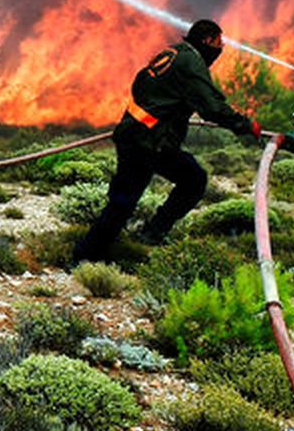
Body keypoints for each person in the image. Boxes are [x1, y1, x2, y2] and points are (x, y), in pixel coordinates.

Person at [72, 19, 260, 264]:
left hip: (142, 138)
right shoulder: (191, 62)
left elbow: (142, 84)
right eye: (218, 43)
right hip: (147, 143)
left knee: (190, 179)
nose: (220, 49)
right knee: (126, 201)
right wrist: (245, 125)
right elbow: (211, 107)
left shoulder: (172, 54)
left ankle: (149, 233)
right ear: (207, 40)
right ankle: (85, 257)